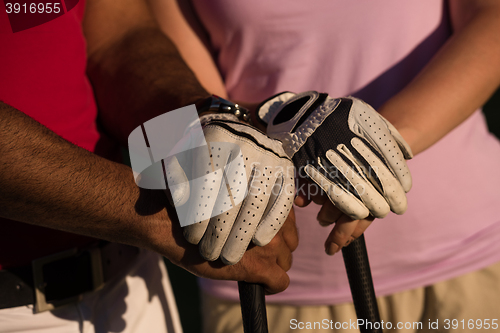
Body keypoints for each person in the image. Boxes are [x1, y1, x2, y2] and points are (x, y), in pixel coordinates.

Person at [152, 0, 500, 332]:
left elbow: (490, 18)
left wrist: (376, 145)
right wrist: (273, 122)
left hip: (465, 258)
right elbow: (181, 94)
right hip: (268, 276)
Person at [0, 0, 298, 332]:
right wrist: (158, 216)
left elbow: (115, 39)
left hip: (131, 282)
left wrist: (201, 127)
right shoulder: (155, 222)